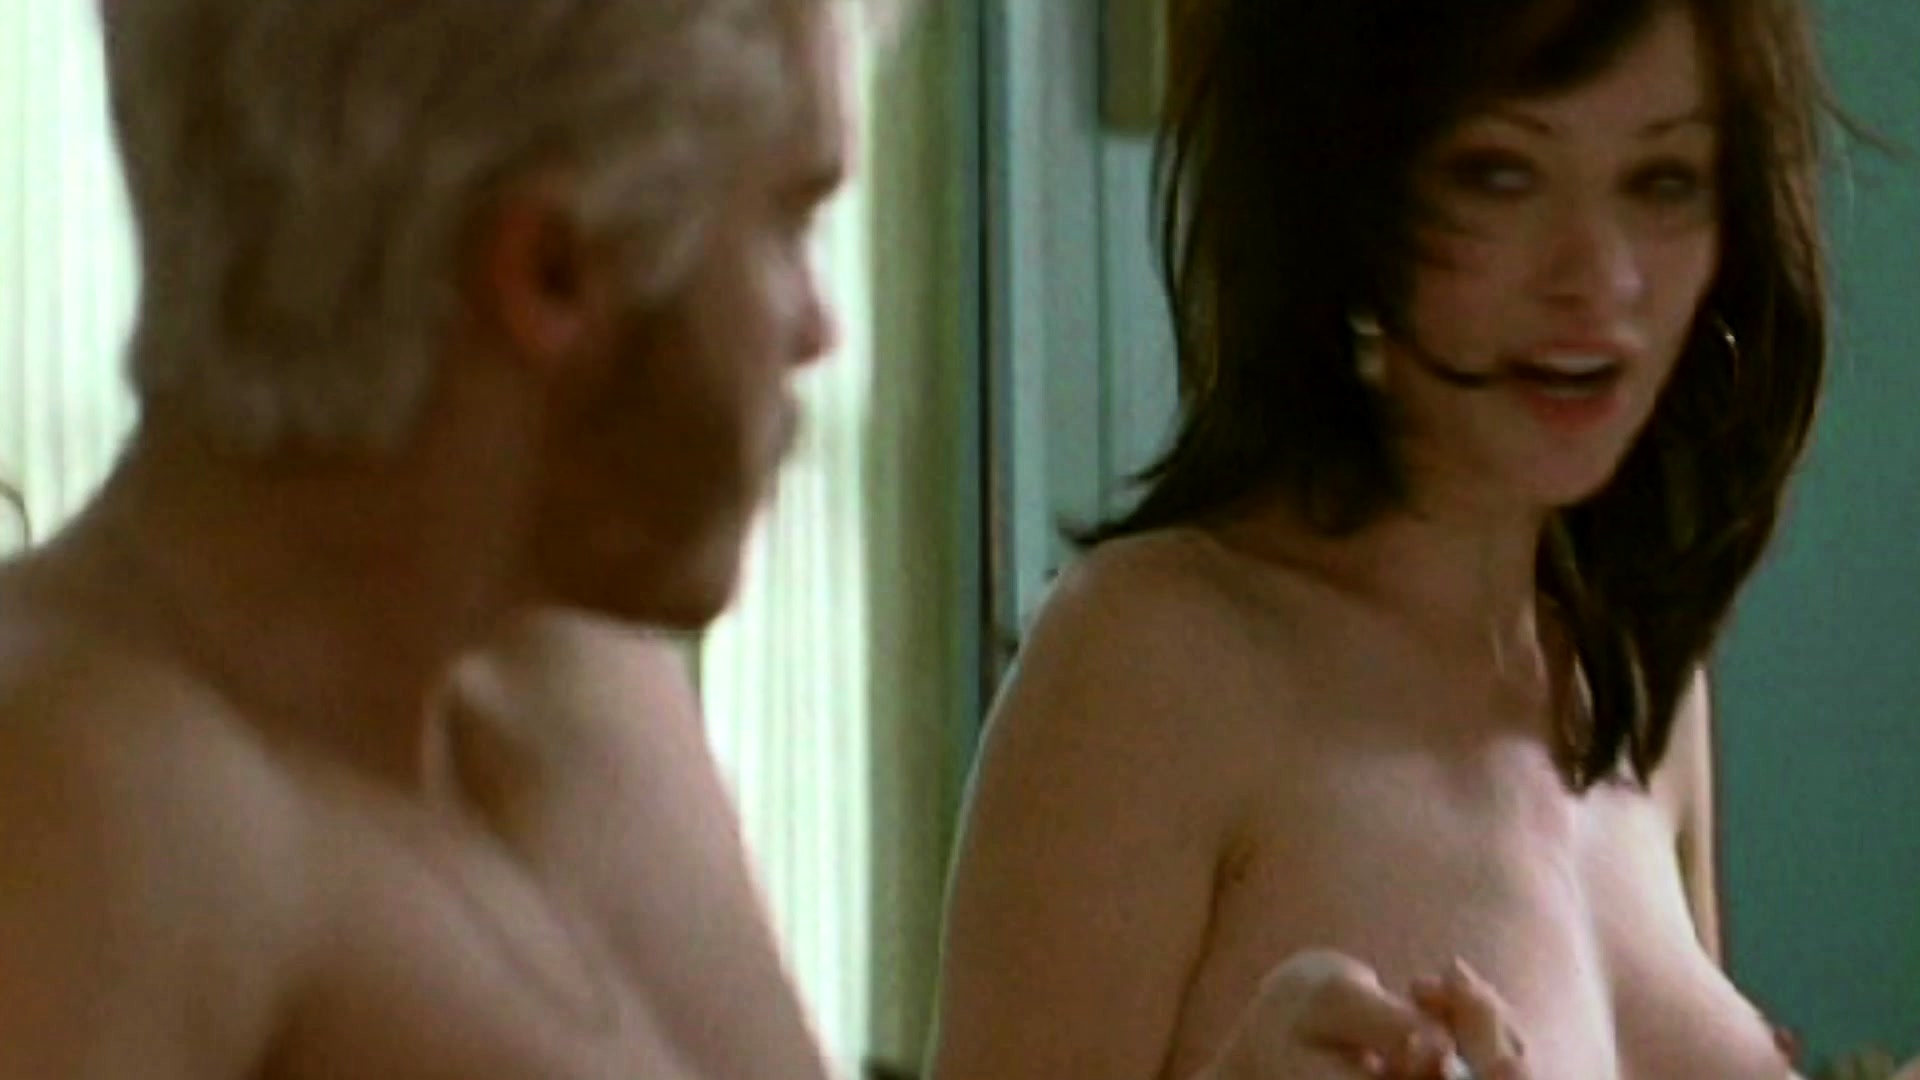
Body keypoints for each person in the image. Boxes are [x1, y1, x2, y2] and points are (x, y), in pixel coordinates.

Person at [928, 1, 1843, 1078]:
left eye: (1663, 181)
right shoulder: (1149, 666)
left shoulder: (1641, 681)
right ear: (1346, 190)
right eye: (1498, 174)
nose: (1600, 280)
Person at [0, 0, 854, 1075]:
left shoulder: (592, 696)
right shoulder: (101, 812)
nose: (819, 329)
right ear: (551, 272)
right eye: (789, 225)